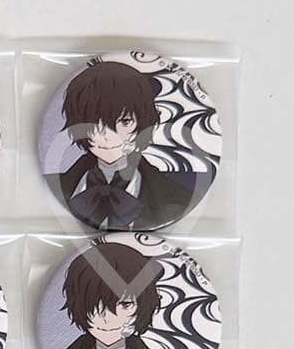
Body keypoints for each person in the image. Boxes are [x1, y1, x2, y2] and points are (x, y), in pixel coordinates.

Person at [44, 241, 192, 349]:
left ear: (142, 305)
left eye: (125, 305)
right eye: (95, 306)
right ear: (78, 304)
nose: (107, 319)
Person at [55, 60, 195, 230]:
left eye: (125, 121)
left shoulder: (178, 197)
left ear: (144, 121)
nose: (108, 137)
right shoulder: (55, 187)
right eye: (94, 124)